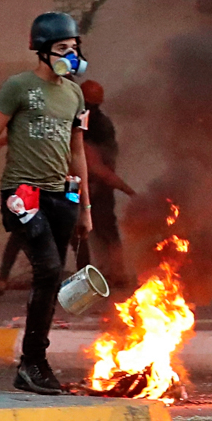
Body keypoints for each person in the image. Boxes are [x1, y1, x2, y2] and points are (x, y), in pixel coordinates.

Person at [0, 12, 93, 395]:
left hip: (62, 196)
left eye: (73, 48)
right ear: (41, 51)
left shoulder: (75, 95)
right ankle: (34, 362)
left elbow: (78, 153)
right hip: (23, 195)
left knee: (52, 277)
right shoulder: (18, 87)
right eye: (61, 48)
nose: (69, 56)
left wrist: (85, 208)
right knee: (49, 268)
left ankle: (33, 363)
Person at [74, 79, 135, 287]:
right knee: (94, 231)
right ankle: (112, 273)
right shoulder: (98, 122)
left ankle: (114, 273)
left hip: (91, 184)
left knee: (97, 230)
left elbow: (99, 164)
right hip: (88, 184)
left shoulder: (88, 123)